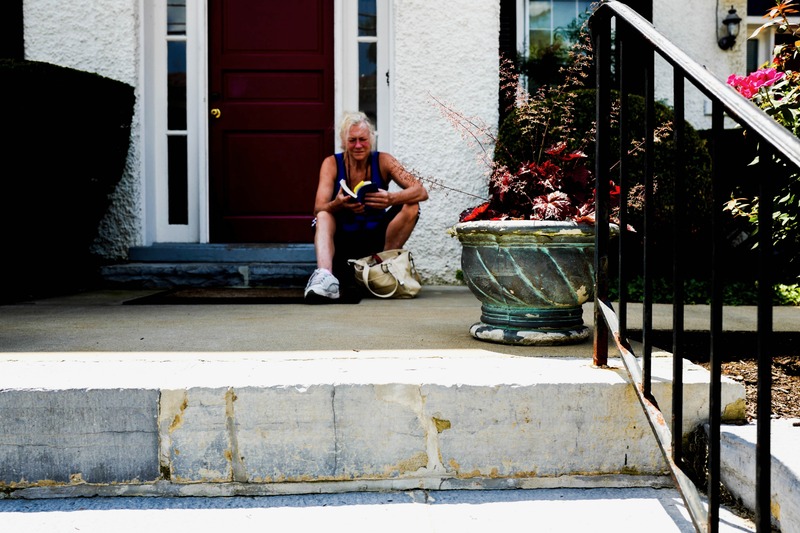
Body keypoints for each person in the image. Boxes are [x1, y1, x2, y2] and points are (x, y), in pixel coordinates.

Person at [304, 112, 428, 301]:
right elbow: (318, 207)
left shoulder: (384, 160)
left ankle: (381, 268)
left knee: (411, 205)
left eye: (363, 139)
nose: (358, 145)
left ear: (371, 139)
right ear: (343, 142)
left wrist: (391, 198)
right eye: (352, 140)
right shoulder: (331, 163)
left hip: (377, 240)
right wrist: (337, 204)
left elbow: (421, 191)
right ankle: (325, 277)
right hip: (343, 240)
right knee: (323, 215)